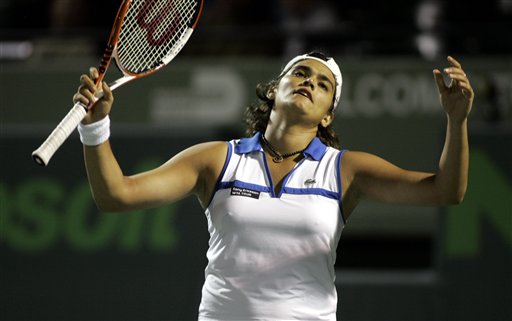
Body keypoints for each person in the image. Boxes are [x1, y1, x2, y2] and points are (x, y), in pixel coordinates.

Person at [74, 51, 474, 320]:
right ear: (274, 89)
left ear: (327, 117)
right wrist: (95, 127)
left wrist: (456, 123)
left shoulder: (346, 169)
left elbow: (445, 191)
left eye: (323, 84)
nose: (310, 83)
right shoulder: (216, 158)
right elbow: (116, 196)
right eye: (300, 73)